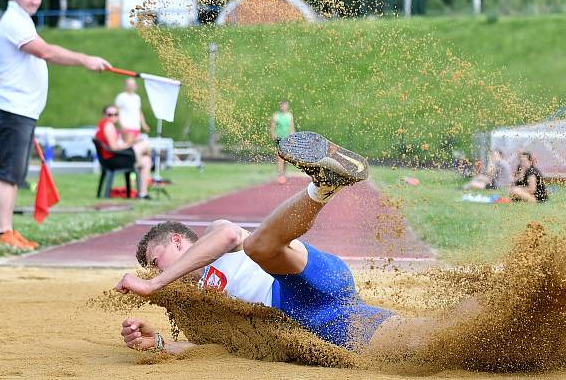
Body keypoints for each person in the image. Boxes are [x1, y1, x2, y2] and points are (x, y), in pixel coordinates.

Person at [115, 131, 394, 351]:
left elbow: (230, 235)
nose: (157, 271)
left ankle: (322, 185)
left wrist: (153, 284)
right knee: (414, 346)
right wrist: (158, 343)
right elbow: (212, 346)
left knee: (256, 246)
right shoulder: (195, 306)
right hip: (311, 320)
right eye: (153, 271)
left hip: (297, 280)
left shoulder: (215, 232)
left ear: (177, 241)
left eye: (156, 262)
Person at [0, 0, 111, 250]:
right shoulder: (13, 21)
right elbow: (45, 52)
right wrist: (85, 60)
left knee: (14, 173)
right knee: (9, 173)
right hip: (13, 109)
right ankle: (1, 232)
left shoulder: (22, 20)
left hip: (22, 110)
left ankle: (5, 229)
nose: (34, 0)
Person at [94, 105, 152, 199]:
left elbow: (123, 141)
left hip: (111, 158)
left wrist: (128, 141)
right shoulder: (108, 126)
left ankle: (143, 193)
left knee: (146, 160)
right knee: (144, 145)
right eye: (110, 114)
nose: (113, 117)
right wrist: (129, 145)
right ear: (104, 115)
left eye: (116, 114)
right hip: (113, 159)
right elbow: (114, 148)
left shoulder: (106, 125)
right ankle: (139, 164)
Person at [114, 77, 149, 145]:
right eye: (129, 85)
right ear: (126, 86)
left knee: (136, 147)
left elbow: (139, 111)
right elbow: (116, 112)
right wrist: (121, 125)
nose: (131, 87)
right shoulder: (121, 97)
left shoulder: (137, 97)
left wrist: (144, 124)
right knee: (127, 146)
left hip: (136, 127)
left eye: (133, 85)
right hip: (126, 127)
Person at [269, 100, 295, 184]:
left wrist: (293, 137)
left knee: (286, 158)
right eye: (283, 105)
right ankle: (280, 175)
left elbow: (291, 127)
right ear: (280, 106)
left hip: (287, 138)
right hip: (279, 138)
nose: (284, 107)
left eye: (286, 105)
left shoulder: (289, 115)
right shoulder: (276, 115)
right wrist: (273, 135)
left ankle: (284, 172)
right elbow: (272, 127)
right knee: (280, 157)